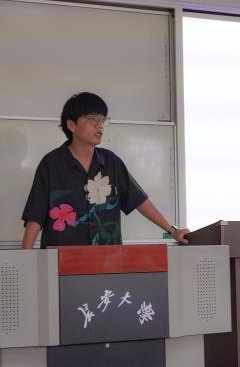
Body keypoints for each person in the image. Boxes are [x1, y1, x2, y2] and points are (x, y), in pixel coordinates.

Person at [21, 92, 189, 249]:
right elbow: (35, 215)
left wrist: (172, 231)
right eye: (92, 119)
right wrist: (25, 259)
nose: (99, 125)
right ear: (71, 125)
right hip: (61, 261)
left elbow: (139, 200)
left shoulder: (111, 162)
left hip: (107, 261)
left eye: (102, 119)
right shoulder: (51, 164)